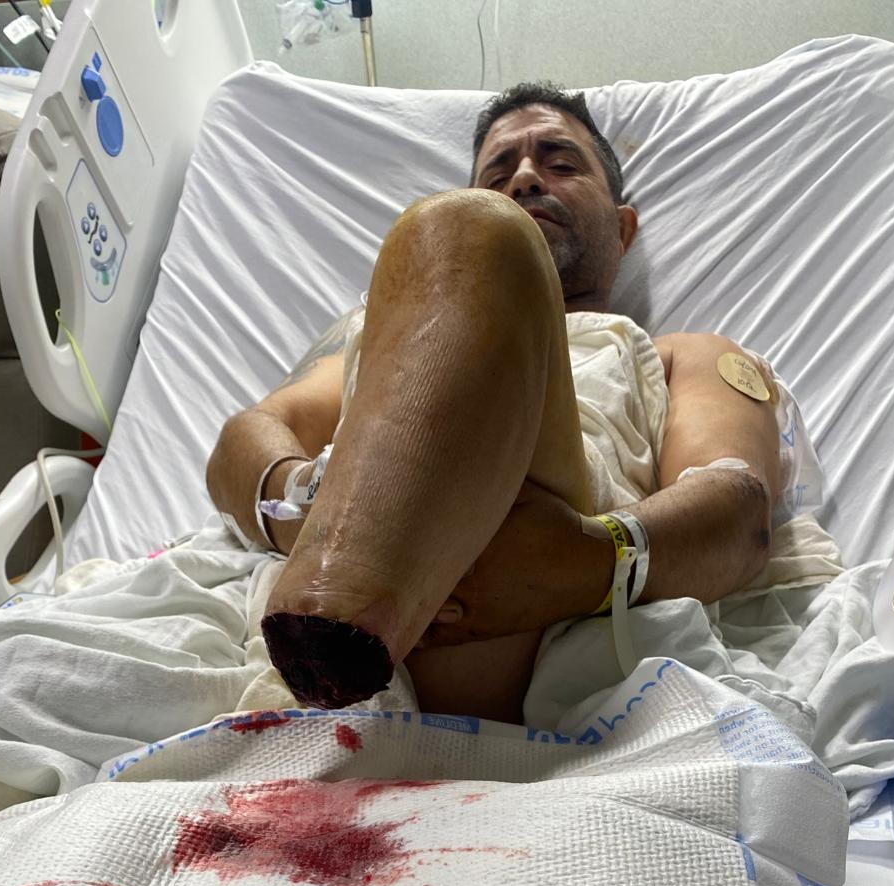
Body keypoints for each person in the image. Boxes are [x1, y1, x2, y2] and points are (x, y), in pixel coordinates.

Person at [206, 81, 782, 723]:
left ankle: (342, 609)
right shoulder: (389, 337)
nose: (526, 178)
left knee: (476, 231)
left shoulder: (680, 354)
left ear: (622, 229)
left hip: (536, 613)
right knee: (466, 230)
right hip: (359, 612)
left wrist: (582, 561)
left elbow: (739, 510)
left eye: (561, 164)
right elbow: (246, 439)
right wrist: (310, 508)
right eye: (498, 174)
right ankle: (344, 593)